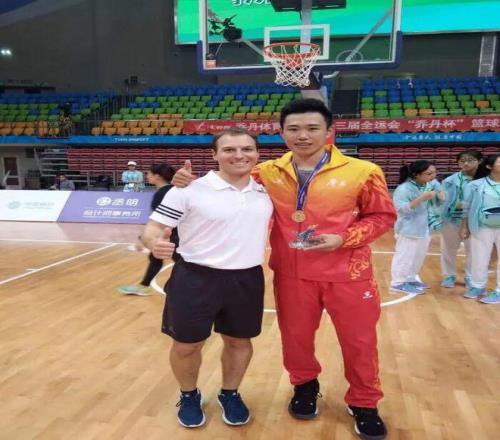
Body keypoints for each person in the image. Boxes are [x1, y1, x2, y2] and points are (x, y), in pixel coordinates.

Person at [173, 99, 397, 440]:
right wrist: (183, 180)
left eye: (312, 128)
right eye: (293, 129)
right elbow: (224, 177)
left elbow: (383, 216)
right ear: (282, 133)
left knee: (360, 342)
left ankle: (364, 402)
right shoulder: (266, 172)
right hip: (293, 274)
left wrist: (345, 238)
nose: (302, 135)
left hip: (349, 273)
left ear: (329, 131)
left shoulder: (363, 171)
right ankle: (304, 386)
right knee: (296, 341)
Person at [141, 128, 273, 428]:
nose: (239, 155)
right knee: (186, 346)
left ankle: (230, 393)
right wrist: (154, 244)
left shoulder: (266, 191)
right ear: (214, 155)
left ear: (257, 154)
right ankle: (189, 395)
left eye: (247, 149)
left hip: (246, 278)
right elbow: (152, 229)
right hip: (194, 278)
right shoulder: (187, 190)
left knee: (239, 342)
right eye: (229, 149)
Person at [118, 163, 179, 296]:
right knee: (156, 257)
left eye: (149, 174)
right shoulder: (171, 190)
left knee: (184, 264)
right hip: (174, 234)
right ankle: (144, 286)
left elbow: (161, 221)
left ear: (157, 176)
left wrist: (143, 238)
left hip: (174, 235)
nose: (147, 176)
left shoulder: (162, 194)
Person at [390, 160, 445, 294]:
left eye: (434, 173)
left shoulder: (430, 184)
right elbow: (402, 210)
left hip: (425, 227)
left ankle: (410, 278)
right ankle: (398, 283)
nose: (433, 176)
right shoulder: (404, 189)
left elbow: (440, 200)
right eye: (429, 174)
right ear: (416, 175)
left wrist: (441, 195)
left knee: (418, 256)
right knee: (404, 256)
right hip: (408, 228)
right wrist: (422, 198)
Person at [461, 153, 500, 304]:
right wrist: (464, 226)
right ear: (490, 166)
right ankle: (477, 286)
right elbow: (467, 207)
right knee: (479, 257)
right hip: (481, 226)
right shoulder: (475, 185)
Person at [440, 150, 482, 288]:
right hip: (451, 220)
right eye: (462, 161)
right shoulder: (449, 181)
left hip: (476, 222)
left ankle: (470, 276)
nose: (466, 163)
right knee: (448, 249)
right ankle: (448, 275)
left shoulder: (485, 180)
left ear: (479, 161)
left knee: (473, 251)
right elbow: (443, 201)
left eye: (470, 160)